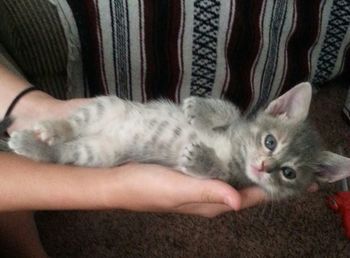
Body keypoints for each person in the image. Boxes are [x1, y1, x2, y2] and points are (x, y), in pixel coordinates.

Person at [0, 63, 267, 257]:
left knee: (101, 151)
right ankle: (64, 128)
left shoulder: (235, 171)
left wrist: (205, 165)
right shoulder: (234, 120)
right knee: (108, 109)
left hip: (125, 144)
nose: (267, 162)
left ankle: (56, 151)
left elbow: (203, 168)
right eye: (270, 143)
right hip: (126, 117)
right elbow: (214, 112)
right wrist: (117, 187)